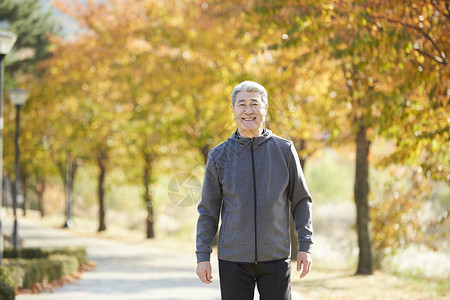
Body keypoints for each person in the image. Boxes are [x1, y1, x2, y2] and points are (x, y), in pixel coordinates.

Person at [195, 80, 313, 300]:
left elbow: (301, 200)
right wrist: (203, 255)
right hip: (233, 260)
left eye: (254, 104)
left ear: (265, 108)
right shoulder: (218, 155)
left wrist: (305, 245)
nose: (248, 110)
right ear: (233, 110)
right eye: (241, 104)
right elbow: (208, 210)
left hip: (276, 258)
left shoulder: (284, 150)